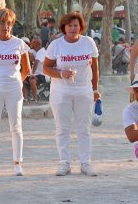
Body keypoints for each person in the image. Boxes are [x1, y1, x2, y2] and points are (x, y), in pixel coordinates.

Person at [43, 12, 100, 176]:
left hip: (84, 90)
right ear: (64, 27)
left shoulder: (88, 43)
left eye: (76, 25)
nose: (73, 28)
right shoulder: (56, 45)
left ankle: (86, 163)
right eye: (69, 26)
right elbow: (46, 68)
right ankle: (64, 163)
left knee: (84, 128)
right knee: (62, 128)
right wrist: (61, 73)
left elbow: (95, 69)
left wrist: (95, 89)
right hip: (61, 91)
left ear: (80, 27)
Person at [0, 8, 31, 177]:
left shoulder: (19, 44)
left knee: (16, 126)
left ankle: (17, 163)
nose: (6, 26)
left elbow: (27, 69)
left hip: (14, 89)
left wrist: (16, 81)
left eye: (9, 23)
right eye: (2, 22)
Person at [26, 37, 47, 102]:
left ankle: (35, 99)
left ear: (37, 44)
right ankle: (25, 98)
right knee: (21, 79)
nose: (30, 44)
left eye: (32, 43)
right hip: (33, 73)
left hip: (41, 74)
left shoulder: (42, 52)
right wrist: (29, 54)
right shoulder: (34, 50)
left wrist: (32, 74)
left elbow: (36, 62)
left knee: (32, 80)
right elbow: (27, 52)